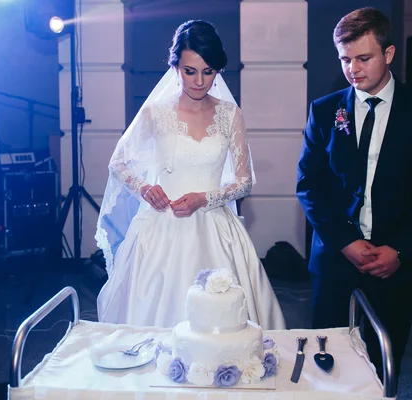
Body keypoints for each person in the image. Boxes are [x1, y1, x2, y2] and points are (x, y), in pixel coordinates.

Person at [296, 8, 412, 384]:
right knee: (327, 356)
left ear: (389, 54)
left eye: (363, 58)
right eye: (345, 59)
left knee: (384, 360)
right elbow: (309, 185)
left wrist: (399, 249)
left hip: (396, 258)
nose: (353, 69)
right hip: (337, 254)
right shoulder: (325, 110)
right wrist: (345, 241)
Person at [95, 20, 286, 330]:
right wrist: (144, 188)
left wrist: (204, 198)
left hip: (215, 226)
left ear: (217, 70)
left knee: (226, 324)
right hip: (160, 225)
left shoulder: (230, 114)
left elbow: (244, 180)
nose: (199, 81)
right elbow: (118, 163)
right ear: (175, 67)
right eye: (189, 71)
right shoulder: (155, 113)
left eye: (208, 71)